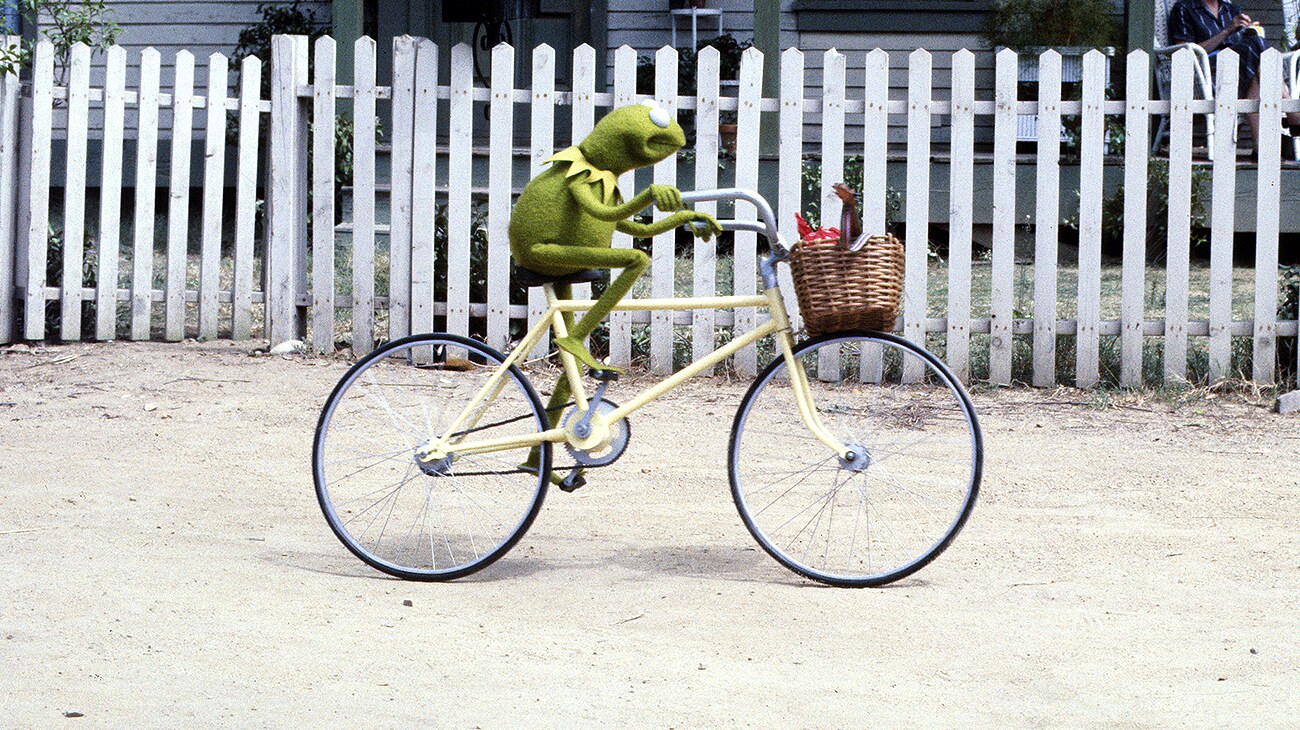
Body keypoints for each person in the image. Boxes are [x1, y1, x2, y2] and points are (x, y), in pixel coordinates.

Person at [1167, 0, 1300, 155]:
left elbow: (1243, 42)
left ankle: (1260, 148)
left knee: (1257, 60)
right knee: (1257, 46)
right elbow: (1186, 54)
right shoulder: (1184, 8)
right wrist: (1227, 31)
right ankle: (1293, 111)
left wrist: (1249, 30)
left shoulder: (1231, 9)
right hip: (1206, 70)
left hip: (1240, 68)